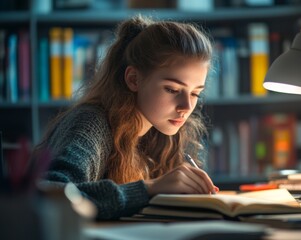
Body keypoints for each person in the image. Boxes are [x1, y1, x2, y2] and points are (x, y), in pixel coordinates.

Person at [33, 15, 219, 220]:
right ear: (133, 79)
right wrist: (149, 188)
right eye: (172, 89)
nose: (186, 106)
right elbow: (51, 195)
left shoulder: (162, 133)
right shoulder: (91, 123)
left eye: (195, 93)